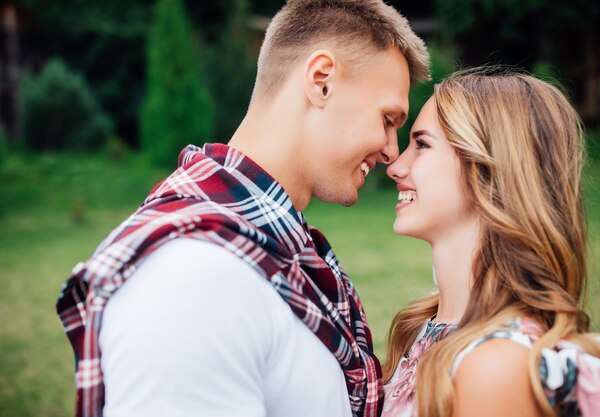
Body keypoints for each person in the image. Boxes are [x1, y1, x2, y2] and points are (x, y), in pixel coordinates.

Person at [55, 1, 429, 417]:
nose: (391, 152)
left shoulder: (272, 253)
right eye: (388, 119)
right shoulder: (193, 279)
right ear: (321, 81)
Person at [382, 69, 600, 417]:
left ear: (489, 170)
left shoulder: (496, 366)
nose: (396, 167)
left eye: (421, 144)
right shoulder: (420, 328)